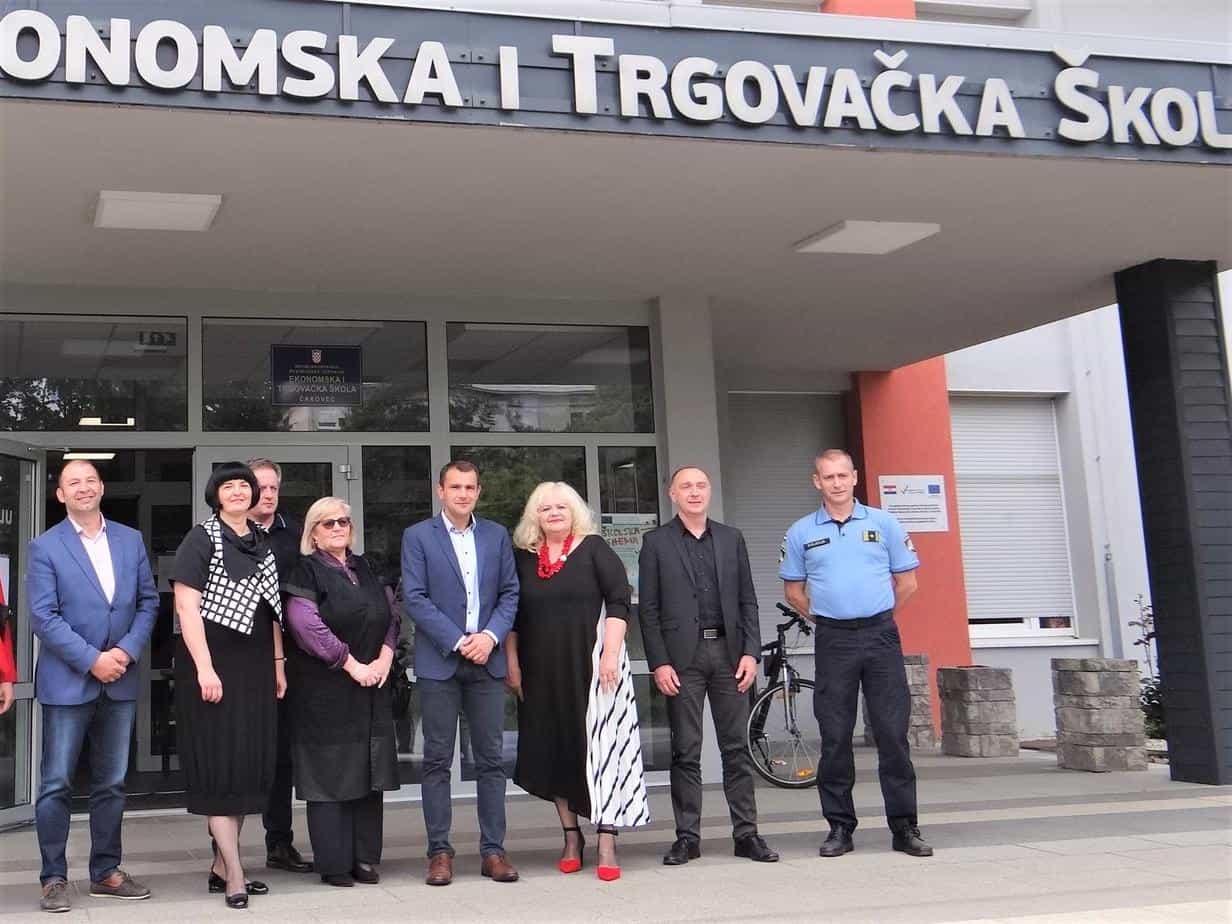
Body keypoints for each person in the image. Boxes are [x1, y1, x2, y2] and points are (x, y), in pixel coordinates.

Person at [779, 449, 932, 859]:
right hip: (834, 640)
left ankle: (905, 828)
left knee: (892, 735)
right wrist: (828, 618)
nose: (836, 483)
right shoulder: (800, 532)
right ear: (817, 482)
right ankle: (839, 828)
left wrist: (878, 616)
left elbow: (908, 583)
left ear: (854, 478)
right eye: (828, 477)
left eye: (842, 475)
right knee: (835, 737)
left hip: (881, 637)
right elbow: (793, 591)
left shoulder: (885, 524)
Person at [26, 460, 158, 912]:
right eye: (73, 482)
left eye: (90, 480)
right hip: (68, 682)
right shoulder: (45, 546)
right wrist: (92, 660)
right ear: (60, 495)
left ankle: (106, 872)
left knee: (112, 783)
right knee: (56, 783)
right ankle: (53, 878)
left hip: (120, 677)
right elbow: (43, 616)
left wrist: (125, 652)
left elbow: (148, 602)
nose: (83, 488)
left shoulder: (130, 539)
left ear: (101, 488)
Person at [506, 481, 649, 882]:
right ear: (535, 516)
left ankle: (606, 839)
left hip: (593, 669)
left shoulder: (594, 549)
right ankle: (571, 836)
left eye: (562, 507)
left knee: (600, 749)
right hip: (541, 672)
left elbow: (619, 601)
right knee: (555, 749)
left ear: (575, 512)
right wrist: (512, 663)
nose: (554, 514)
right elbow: (513, 616)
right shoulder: (524, 559)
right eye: (545, 508)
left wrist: (610, 654)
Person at [639, 466, 777, 867]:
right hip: (683, 660)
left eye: (700, 485)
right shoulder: (656, 543)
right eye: (686, 486)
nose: (694, 492)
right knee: (686, 750)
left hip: (730, 656)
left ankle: (746, 834)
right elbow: (648, 610)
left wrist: (751, 652)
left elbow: (748, 600)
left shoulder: (732, 538)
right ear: (672, 494)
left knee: (737, 748)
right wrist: (659, 662)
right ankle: (687, 838)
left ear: (710, 491)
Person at [171, 462, 287, 910]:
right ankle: (236, 872)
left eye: (244, 485)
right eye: (229, 486)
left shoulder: (260, 540)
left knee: (245, 766)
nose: (238, 492)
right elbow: (186, 607)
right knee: (221, 767)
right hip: (213, 663)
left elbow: (271, 610)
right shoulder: (200, 538)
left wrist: (278, 665)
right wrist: (205, 668)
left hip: (255, 666)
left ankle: (222, 865)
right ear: (215, 494)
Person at [401, 461, 520, 886]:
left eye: (470, 487)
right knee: (437, 760)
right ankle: (439, 852)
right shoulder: (418, 536)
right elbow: (415, 597)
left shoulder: (496, 535)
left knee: (490, 760)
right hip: (441, 662)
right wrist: (457, 640)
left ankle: (493, 851)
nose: (463, 494)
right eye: (455, 487)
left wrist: (489, 637)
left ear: (478, 492)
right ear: (441, 491)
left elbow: (510, 592)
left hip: (487, 660)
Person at [283, 498, 399, 886]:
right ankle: (334, 863)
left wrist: (384, 658)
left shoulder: (366, 567)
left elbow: (391, 615)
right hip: (326, 690)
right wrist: (352, 665)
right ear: (313, 533)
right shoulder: (305, 570)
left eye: (343, 522)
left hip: (371, 687)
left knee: (368, 771)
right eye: (328, 523)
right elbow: (306, 626)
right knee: (330, 776)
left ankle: (364, 858)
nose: (337, 528)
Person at [245, 458, 312, 875]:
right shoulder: (229, 534)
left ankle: (279, 842)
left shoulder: (297, 536)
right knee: (241, 752)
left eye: (273, 488)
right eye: (261, 487)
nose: (268, 495)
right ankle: (223, 852)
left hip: (293, 657)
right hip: (242, 657)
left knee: (282, 754)